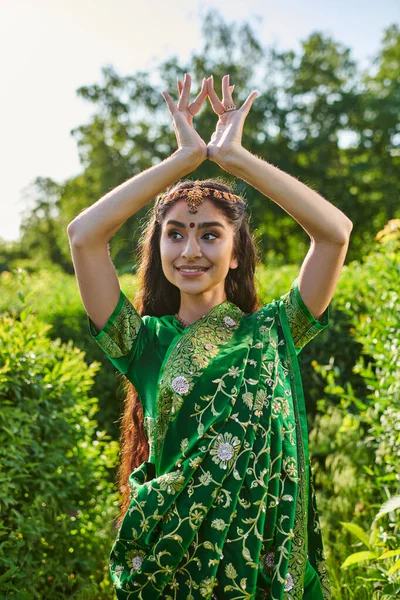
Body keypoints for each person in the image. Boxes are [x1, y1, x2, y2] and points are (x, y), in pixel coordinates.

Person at [67, 73, 353, 599]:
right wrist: (183, 158)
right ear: (158, 252)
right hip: (173, 571)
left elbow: (335, 234)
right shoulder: (144, 342)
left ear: (236, 252)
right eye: (174, 234)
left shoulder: (275, 331)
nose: (189, 249)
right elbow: (84, 236)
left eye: (209, 234)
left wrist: (233, 158)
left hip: (265, 574)